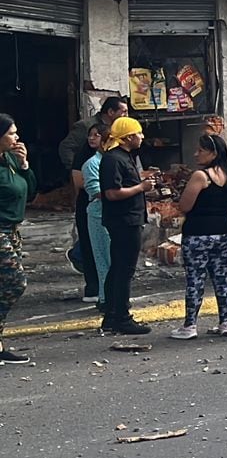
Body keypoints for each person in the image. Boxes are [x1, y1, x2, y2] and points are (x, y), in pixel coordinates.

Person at [168, 134, 227, 340]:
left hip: (199, 232)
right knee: (222, 276)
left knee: (195, 278)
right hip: (225, 230)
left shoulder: (201, 176)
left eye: (201, 150)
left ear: (214, 153)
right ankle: (226, 321)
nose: (196, 153)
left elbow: (185, 206)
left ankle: (190, 325)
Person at [62, 97, 125, 304]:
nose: (93, 138)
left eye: (97, 136)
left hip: (104, 207)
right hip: (92, 206)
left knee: (105, 250)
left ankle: (104, 291)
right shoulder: (88, 158)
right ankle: (96, 289)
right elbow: (94, 188)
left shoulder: (113, 154)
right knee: (94, 247)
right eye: (122, 111)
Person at [98, 117, 153, 336]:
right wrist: (141, 187)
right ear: (128, 137)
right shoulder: (113, 159)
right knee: (125, 269)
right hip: (124, 220)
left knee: (119, 267)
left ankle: (111, 316)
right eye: (139, 133)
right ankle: (121, 317)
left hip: (128, 218)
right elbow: (112, 193)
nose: (142, 137)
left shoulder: (125, 157)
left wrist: (142, 182)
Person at [0, 114, 36, 364]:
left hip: (13, 229)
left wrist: (24, 165)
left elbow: (31, 192)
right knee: (15, 282)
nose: (17, 137)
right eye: (12, 133)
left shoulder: (11, 159)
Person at [79, 126, 111, 315]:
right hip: (99, 213)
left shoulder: (114, 160)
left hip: (113, 213)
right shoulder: (92, 164)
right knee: (103, 258)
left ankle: (112, 296)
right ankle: (105, 297)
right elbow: (95, 190)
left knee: (115, 258)